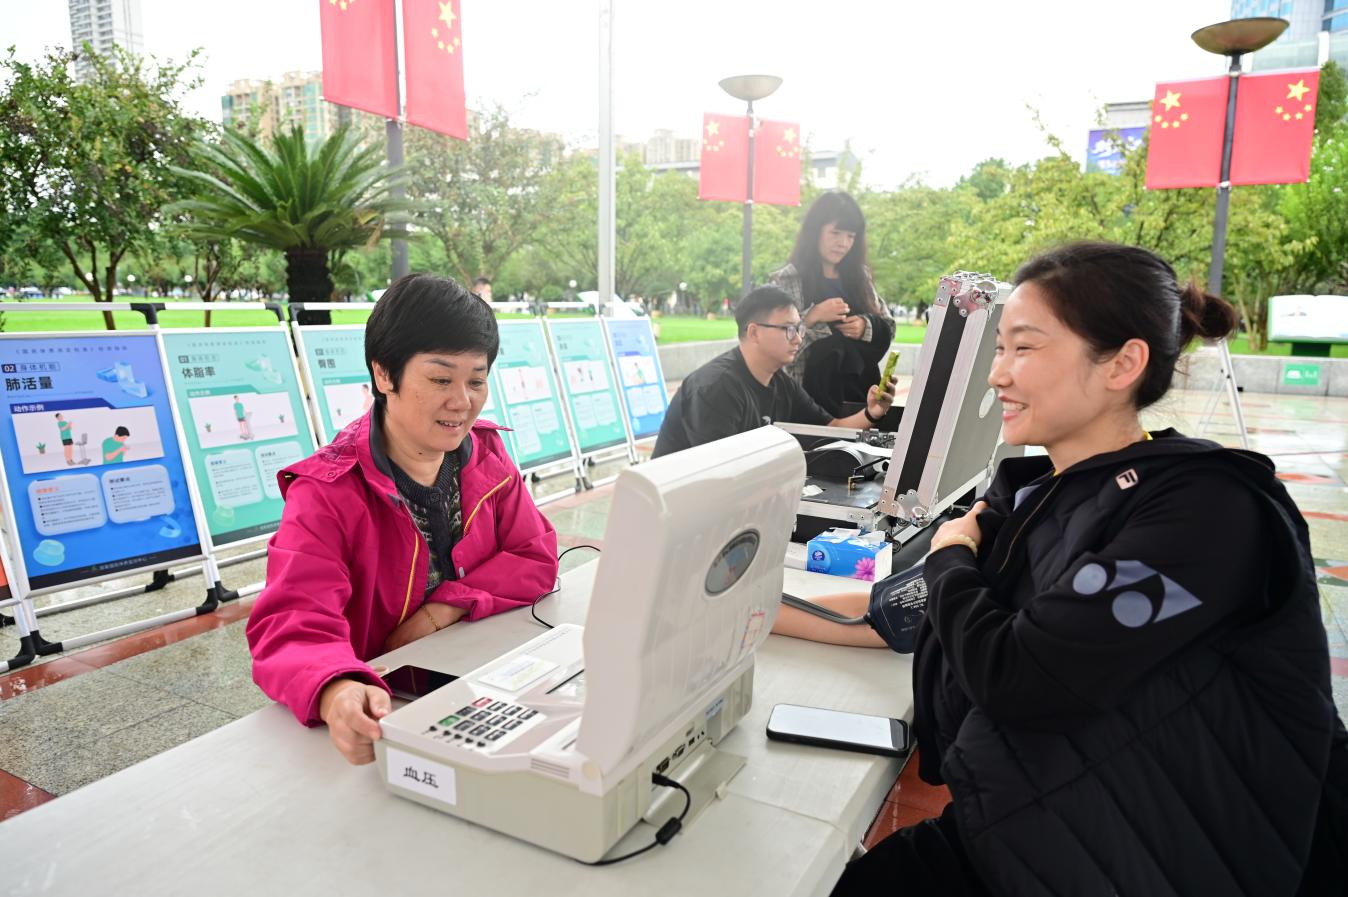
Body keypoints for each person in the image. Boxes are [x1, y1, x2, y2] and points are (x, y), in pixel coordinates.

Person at [789, 242, 1347, 896]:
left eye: (1024, 348)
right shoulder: (1027, 495)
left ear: (1123, 363)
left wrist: (949, 561)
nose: (998, 375)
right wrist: (738, 617)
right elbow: (902, 613)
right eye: (998, 349)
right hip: (1033, 825)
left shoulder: (1207, 513)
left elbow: (1019, 674)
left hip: (1167, 857)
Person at [247, 273, 560, 765]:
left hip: (470, 684)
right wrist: (336, 690)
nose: (462, 401)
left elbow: (534, 553)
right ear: (384, 376)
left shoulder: (487, 455)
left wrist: (443, 610)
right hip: (382, 716)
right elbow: (291, 622)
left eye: (476, 380)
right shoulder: (328, 492)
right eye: (440, 379)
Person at [652, 285, 896, 459]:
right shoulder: (715, 387)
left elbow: (831, 427)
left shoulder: (780, 382)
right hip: (676, 516)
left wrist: (872, 412)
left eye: (799, 328)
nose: (799, 338)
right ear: (754, 332)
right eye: (788, 329)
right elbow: (718, 471)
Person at [768, 191, 895, 416]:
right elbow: (775, 347)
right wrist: (812, 316)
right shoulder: (787, 280)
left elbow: (888, 325)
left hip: (860, 399)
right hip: (805, 403)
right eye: (835, 233)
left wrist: (866, 327)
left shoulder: (859, 278)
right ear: (815, 232)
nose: (842, 244)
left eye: (850, 236)